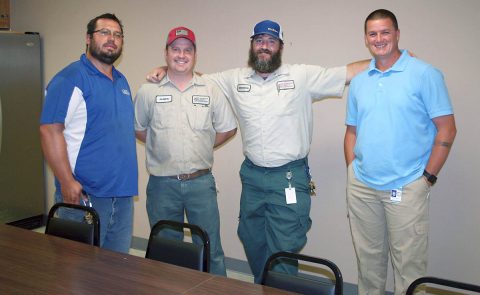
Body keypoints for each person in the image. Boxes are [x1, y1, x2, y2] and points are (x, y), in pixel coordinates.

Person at [147, 20, 369, 283]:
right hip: (252, 177)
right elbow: (194, 78)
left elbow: (348, 72)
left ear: (280, 47)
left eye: (271, 41)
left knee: (283, 249)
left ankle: (280, 287)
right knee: (251, 238)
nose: (264, 46)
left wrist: (391, 60)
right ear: (252, 45)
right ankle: (262, 285)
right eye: (259, 41)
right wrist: (166, 69)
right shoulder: (234, 79)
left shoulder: (301, 76)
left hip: (288, 177)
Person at [344, 9, 456, 295]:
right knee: (368, 265)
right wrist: (351, 171)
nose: (379, 38)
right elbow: (352, 131)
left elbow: (447, 129)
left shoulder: (424, 74)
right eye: (373, 33)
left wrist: (426, 178)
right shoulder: (359, 82)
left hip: (407, 186)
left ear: (396, 34)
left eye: (385, 32)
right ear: (366, 38)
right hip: (363, 187)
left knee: (409, 269)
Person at [134, 27, 237, 275]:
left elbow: (228, 129)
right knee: (166, 251)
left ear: (195, 54)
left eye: (187, 50)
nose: (181, 54)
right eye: (176, 49)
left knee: (210, 249)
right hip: (161, 186)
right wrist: (165, 145)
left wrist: (198, 145)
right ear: (166, 53)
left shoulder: (210, 90)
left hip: (200, 184)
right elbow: (139, 129)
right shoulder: (148, 91)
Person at [39, 13, 138, 254]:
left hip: (122, 196)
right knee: (76, 273)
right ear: (88, 38)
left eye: (117, 34)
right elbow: (50, 131)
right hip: (83, 196)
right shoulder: (70, 78)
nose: (111, 39)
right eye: (104, 32)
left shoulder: (121, 80)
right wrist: (66, 182)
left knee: (115, 273)